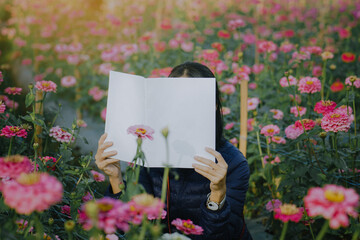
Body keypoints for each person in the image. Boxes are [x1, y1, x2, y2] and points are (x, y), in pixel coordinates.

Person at [95, 62, 252, 240]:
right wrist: (116, 178)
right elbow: (133, 227)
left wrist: (217, 195)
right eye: (175, 99)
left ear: (214, 105)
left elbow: (222, 236)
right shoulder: (148, 153)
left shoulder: (233, 163)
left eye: (193, 100)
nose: (183, 109)